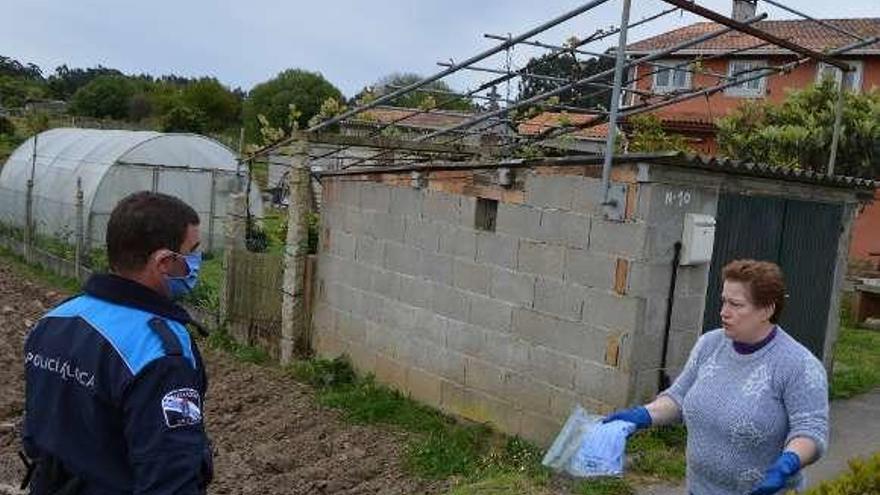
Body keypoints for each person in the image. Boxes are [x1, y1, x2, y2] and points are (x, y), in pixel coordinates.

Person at [21, 191, 213, 494]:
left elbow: (34, 433)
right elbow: (170, 475)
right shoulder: (160, 352)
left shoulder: (54, 320)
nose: (197, 261)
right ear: (164, 261)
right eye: (193, 251)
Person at [605, 259, 829, 495]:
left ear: (767, 310)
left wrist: (788, 463)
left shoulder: (798, 365)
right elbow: (679, 398)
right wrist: (641, 415)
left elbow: (810, 431)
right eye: (723, 301)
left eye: (736, 304)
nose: (724, 312)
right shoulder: (710, 344)